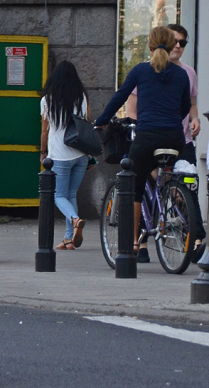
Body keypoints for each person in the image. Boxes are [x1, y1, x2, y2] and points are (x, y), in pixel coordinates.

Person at [95, 25, 192, 256]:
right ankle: (172, 197)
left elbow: (120, 97)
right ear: (171, 46)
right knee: (166, 173)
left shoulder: (140, 70)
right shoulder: (181, 74)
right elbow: (186, 106)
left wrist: (101, 120)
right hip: (175, 137)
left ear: (149, 46)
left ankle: (132, 243)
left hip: (147, 136)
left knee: (134, 187)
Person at [124, 23, 204, 258]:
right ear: (167, 44)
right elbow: (132, 105)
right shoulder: (148, 70)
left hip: (181, 139)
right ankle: (144, 242)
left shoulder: (187, 72)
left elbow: (191, 103)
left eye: (183, 43)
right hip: (165, 136)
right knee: (152, 187)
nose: (178, 46)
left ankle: (194, 238)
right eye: (176, 42)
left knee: (182, 189)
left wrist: (195, 118)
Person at [41, 62, 90, 249]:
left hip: (60, 155)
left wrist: (43, 152)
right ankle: (69, 238)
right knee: (71, 194)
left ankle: (75, 220)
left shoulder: (47, 100)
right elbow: (86, 124)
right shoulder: (82, 98)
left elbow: (45, 130)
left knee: (58, 195)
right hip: (81, 153)